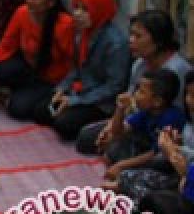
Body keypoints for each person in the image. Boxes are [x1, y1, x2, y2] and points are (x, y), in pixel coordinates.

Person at [78, 10, 190, 156]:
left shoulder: (178, 71)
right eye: (131, 35)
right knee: (86, 137)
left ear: (158, 41)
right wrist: (111, 127)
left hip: (164, 131)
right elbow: (131, 103)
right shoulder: (139, 65)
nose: (131, 40)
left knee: (118, 151)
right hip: (138, 120)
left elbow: (178, 116)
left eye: (138, 36)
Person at [38, 0, 131, 141]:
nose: (77, 14)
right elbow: (76, 69)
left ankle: (98, 126)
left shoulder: (116, 44)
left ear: (99, 10)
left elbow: (114, 87)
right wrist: (62, 89)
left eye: (85, 9)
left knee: (63, 125)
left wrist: (74, 101)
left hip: (101, 101)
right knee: (41, 110)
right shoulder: (82, 33)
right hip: (82, 90)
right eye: (76, 8)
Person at [0, 0, 74, 121]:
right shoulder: (22, 12)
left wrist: (65, 89)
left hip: (52, 81)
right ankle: (22, 93)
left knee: (18, 110)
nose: (28, 0)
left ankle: (31, 97)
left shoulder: (65, 25)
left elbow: (74, 64)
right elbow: (6, 45)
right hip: (29, 70)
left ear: (51, 2)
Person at [101, 69, 184, 199]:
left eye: (141, 91)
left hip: (165, 165)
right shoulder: (146, 111)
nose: (135, 94)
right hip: (145, 150)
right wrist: (120, 108)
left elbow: (154, 154)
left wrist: (121, 165)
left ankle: (126, 185)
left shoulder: (171, 118)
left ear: (157, 101)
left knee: (131, 172)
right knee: (114, 147)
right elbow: (118, 132)